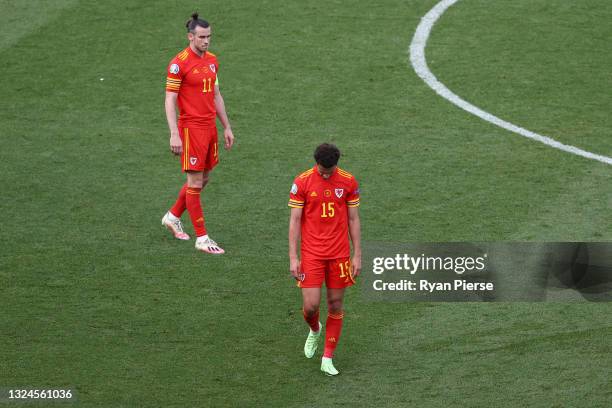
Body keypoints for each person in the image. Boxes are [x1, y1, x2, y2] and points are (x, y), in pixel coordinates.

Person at [161, 12, 235, 254]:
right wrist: (174, 133)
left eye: (209, 36)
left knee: (203, 179)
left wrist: (226, 126)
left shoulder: (212, 60)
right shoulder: (179, 63)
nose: (206, 41)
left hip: (209, 128)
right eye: (202, 37)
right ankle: (202, 239)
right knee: (194, 182)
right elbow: (170, 99)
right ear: (190, 36)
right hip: (191, 129)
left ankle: (172, 216)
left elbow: (216, 94)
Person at [288, 143, 362, 376]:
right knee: (310, 307)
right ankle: (315, 329)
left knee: (335, 305)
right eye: (322, 171)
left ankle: (327, 357)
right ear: (316, 163)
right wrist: (293, 256)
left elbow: (353, 219)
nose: (325, 175)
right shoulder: (302, 181)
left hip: (339, 254)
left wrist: (357, 254)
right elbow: (295, 221)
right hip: (312, 254)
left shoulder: (348, 181)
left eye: (329, 172)